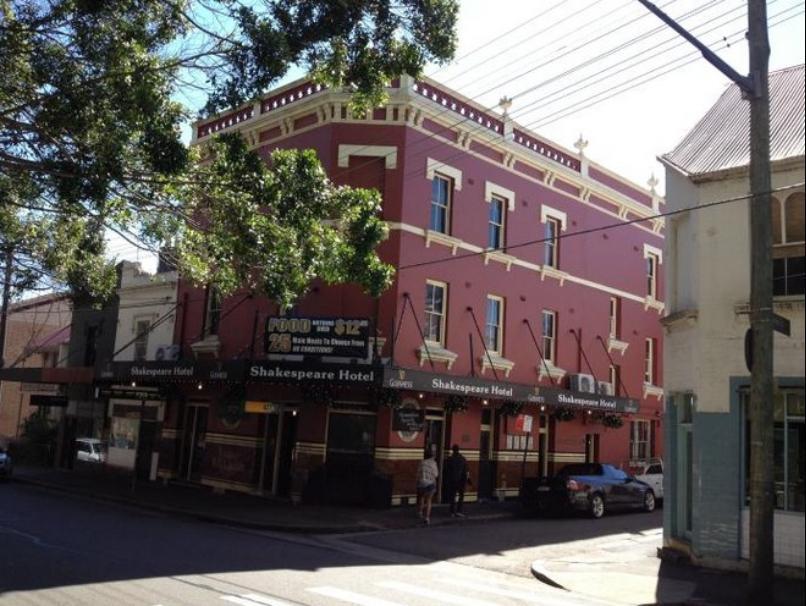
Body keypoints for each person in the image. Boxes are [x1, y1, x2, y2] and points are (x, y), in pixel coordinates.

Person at [445, 444, 470, 517]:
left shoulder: (449, 459)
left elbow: (447, 470)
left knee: (452, 496)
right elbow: (466, 470)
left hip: (452, 480)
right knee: (461, 496)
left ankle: (452, 512)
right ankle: (459, 511)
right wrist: (467, 480)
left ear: (453, 450)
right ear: (458, 450)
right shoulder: (462, 459)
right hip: (461, 480)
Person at [416, 448, 439, 525]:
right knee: (429, 500)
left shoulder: (421, 463)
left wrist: (418, 481)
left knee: (422, 497)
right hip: (430, 483)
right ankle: (427, 518)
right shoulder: (433, 463)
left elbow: (418, 474)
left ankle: (420, 512)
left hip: (422, 483)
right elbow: (436, 475)